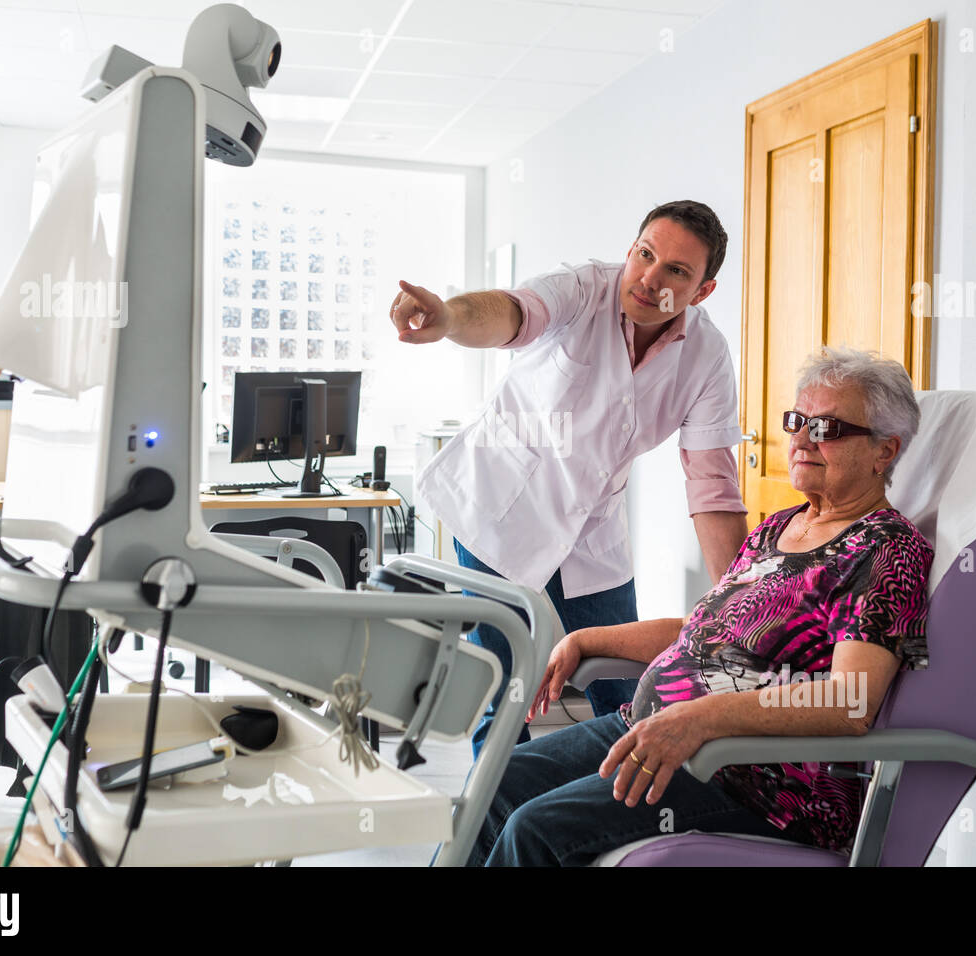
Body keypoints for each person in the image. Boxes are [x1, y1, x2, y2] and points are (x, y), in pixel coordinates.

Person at [466, 346, 934, 866]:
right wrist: (586, 639)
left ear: (884, 451)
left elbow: (850, 702)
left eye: (827, 429)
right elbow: (706, 630)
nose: (801, 439)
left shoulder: (886, 550)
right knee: (492, 781)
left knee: (536, 831)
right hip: (659, 730)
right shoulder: (781, 526)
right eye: (798, 421)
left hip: (754, 778)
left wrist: (702, 718)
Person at [392, 201, 748, 756]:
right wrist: (450, 319)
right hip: (500, 511)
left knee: (634, 691)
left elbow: (712, 483)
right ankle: (493, 829)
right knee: (508, 691)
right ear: (631, 249)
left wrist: (742, 603)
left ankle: (595, 822)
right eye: (645, 254)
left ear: (702, 291)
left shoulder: (707, 356)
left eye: (676, 271)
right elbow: (512, 312)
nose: (650, 279)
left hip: (592, 531)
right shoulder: (582, 290)